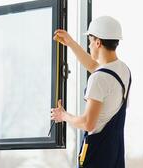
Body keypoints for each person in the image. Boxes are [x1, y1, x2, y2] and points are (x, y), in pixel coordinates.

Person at [51, 16, 132, 168]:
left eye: (90, 41)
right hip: (115, 154)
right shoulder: (123, 70)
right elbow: (93, 65)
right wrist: (70, 43)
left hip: (97, 155)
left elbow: (88, 123)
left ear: (98, 42)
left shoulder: (98, 79)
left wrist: (63, 115)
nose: (89, 46)